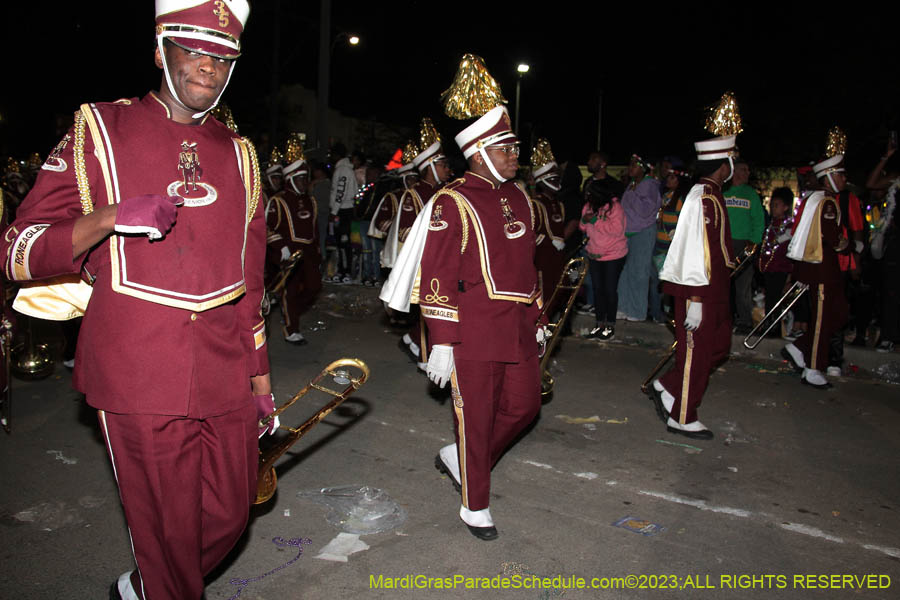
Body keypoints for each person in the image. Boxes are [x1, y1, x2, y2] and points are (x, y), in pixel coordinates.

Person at [3, 2, 275, 597]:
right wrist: (107, 218)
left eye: (224, 55)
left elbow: (249, 282)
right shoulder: (99, 128)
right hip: (136, 371)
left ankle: (150, 583)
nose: (210, 63)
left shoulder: (242, 153)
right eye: (195, 48)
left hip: (227, 369)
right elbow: (17, 248)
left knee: (230, 516)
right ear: (160, 51)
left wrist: (259, 379)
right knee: (172, 537)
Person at [381, 90, 545, 540]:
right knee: (476, 417)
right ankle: (475, 504)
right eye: (505, 149)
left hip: (517, 326)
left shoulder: (521, 197)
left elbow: (528, 266)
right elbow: (437, 274)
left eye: (515, 147)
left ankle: (462, 457)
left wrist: (539, 315)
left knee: (526, 406)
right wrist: (443, 341)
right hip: (471, 330)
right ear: (478, 154)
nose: (515, 155)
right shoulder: (452, 201)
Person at [648, 135, 738, 440]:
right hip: (698, 289)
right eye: (732, 159)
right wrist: (696, 298)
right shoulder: (702, 196)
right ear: (722, 164)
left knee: (719, 347)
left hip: (714, 288)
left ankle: (670, 387)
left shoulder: (712, 194)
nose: (734, 165)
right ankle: (683, 416)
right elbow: (694, 250)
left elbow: (714, 248)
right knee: (696, 355)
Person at [782, 154, 849, 389]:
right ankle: (812, 368)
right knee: (822, 319)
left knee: (837, 314)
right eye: (840, 175)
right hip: (820, 269)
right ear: (829, 176)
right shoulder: (826, 202)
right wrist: (848, 246)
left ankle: (799, 348)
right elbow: (833, 239)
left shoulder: (820, 199)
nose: (843, 179)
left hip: (823, 269)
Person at [268, 145, 322, 345]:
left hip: (308, 253)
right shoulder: (278, 201)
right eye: (300, 178)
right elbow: (266, 229)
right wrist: (280, 247)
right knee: (289, 292)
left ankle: (290, 311)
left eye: (305, 178)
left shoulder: (311, 201)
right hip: (288, 254)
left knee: (314, 287)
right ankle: (292, 329)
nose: (304, 182)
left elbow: (315, 229)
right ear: (290, 179)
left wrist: (317, 251)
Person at [580, 179, 627, 340]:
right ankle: (599, 324)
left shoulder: (615, 208)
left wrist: (594, 220)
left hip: (613, 255)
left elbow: (616, 230)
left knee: (609, 290)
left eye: (590, 193)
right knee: (597, 290)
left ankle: (610, 325)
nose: (587, 195)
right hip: (594, 254)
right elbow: (583, 226)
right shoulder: (589, 206)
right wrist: (585, 220)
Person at [616, 154, 661, 322]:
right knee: (624, 272)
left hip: (642, 232)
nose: (630, 168)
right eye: (630, 165)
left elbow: (645, 210)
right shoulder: (632, 185)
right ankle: (622, 307)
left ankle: (637, 311)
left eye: (634, 165)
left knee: (639, 272)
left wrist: (634, 195)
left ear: (643, 168)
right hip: (627, 233)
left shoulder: (649, 185)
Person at [723, 158, 764, 334]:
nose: (747, 173)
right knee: (723, 284)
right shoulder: (723, 191)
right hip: (724, 243)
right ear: (735, 171)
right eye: (744, 169)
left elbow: (759, 220)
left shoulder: (750, 194)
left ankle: (744, 321)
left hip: (744, 243)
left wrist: (754, 243)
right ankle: (724, 319)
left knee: (743, 286)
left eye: (748, 170)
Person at [530, 139, 567, 315]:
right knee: (544, 297)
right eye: (551, 178)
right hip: (542, 260)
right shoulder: (535, 204)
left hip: (557, 260)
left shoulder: (558, 204)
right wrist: (546, 242)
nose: (556, 182)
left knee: (558, 293)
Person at [649, 168, 691, 323]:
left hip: (672, 249)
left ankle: (670, 313)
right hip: (659, 245)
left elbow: (683, 222)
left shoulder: (681, 199)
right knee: (657, 281)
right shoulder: (665, 197)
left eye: (672, 178)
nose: (668, 180)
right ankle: (657, 312)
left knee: (669, 282)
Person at [757, 187, 796, 336]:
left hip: (781, 268)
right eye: (772, 205)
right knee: (769, 298)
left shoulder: (789, 227)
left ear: (786, 207)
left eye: (777, 205)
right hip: (769, 267)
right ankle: (769, 325)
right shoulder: (771, 224)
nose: (773, 208)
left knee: (776, 299)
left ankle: (774, 328)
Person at [328, 143, 360, 283]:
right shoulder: (345, 169)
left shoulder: (343, 169)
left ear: (337, 155)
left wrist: (334, 211)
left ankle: (345, 271)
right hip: (343, 210)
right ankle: (342, 269)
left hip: (343, 211)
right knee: (341, 243)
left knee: (344, 242)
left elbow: (341, 192)